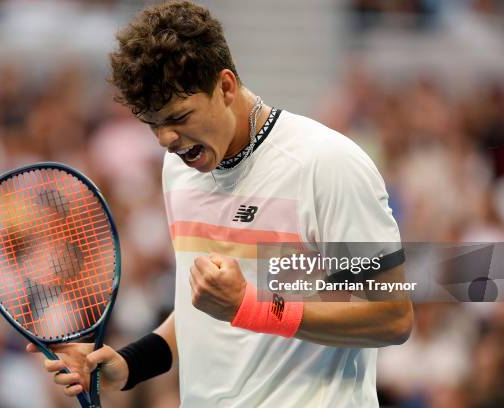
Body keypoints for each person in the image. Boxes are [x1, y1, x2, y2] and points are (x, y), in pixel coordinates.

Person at [27, 1, 414, 406]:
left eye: (178, 117)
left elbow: (391, 317)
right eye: (153, 124)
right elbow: (204, 308)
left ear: (226, 86)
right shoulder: (179, 169)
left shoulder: (328, 165)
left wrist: (251, 307)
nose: (166, 140)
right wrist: (129, 366)